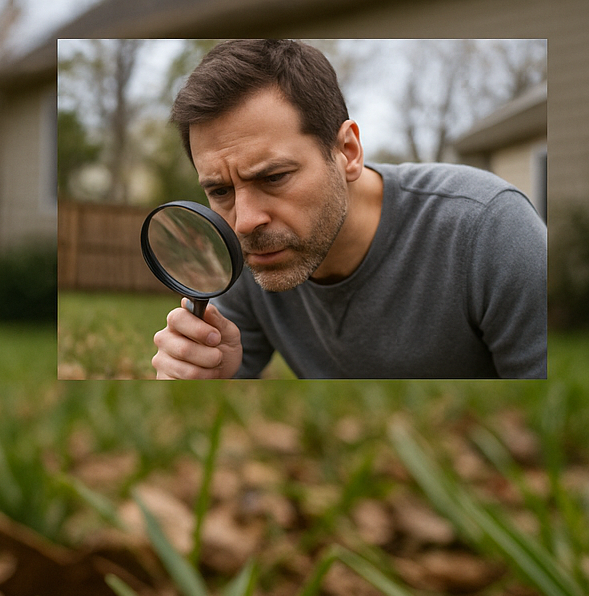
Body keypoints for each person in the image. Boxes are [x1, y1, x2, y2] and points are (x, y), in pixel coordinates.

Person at [151, 39, 547, 380]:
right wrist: (207, 383)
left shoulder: (489, 229)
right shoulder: (248, 252)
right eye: (220, 190)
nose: (246, 220)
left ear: (348, 152)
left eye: (273, 177)